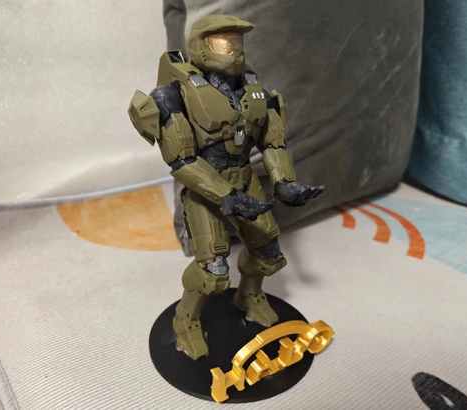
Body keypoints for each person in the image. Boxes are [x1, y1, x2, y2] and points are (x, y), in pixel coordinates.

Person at [128, 14, 324, 360]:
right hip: (207, 189)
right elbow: (182, 161)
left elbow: (272, 142)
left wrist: (284, 182)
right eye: (223, 43)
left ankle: (249, 296)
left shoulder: (251, 87)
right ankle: (185, 321)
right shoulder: (172, 95)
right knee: (214, 271)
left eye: (236, 42)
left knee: (268, 253)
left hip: (245, 179)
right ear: (200, 47)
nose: (233, 50)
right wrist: (227, 196)